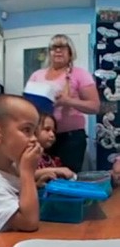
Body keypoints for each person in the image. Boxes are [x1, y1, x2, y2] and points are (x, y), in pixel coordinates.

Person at [25, 34, 100, 172]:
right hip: (40, 137)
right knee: (39, 174)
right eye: (54, 47)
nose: (58, 50)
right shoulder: (37, 75)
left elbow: (95, 107)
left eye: (63, 47)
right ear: (49, 52)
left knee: (67, 177)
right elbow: (28, 104)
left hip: (71, 138)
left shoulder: (80, 74)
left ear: (70, 53)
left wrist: (68, 101)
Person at [0, 95, 42, 240]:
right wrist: (27, 174)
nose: (35, 139)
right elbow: (28, 223)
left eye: (35, 132)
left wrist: (45, 174)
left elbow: (15, 182)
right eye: (27, 130)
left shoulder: (10, 170)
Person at [34, 112, 75, 187]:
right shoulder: (29, 155)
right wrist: (56, 170)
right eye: (47, 129)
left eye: (54, 131)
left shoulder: (53, 160)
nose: (52, 135)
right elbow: (28, 173)